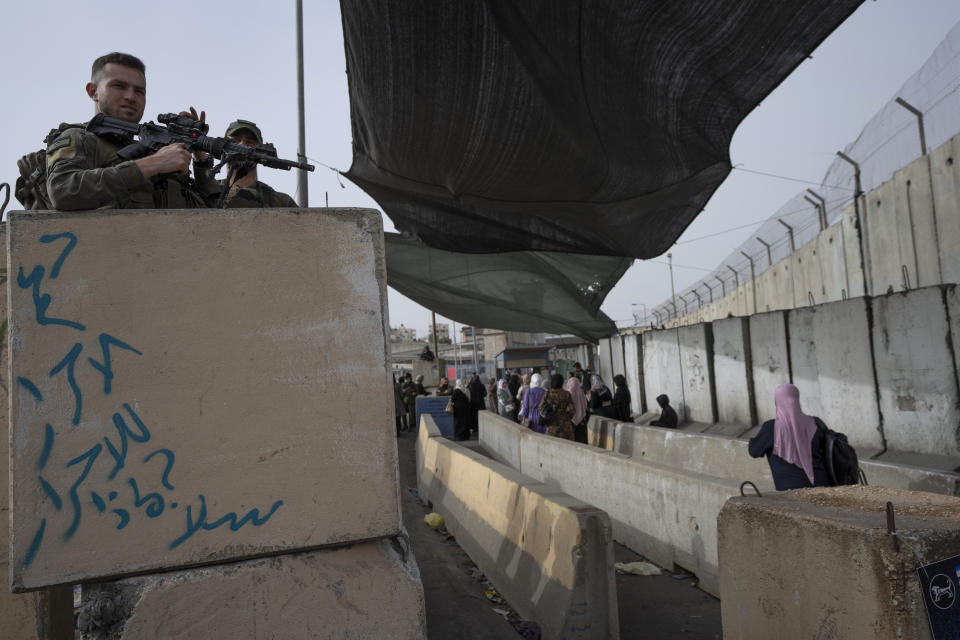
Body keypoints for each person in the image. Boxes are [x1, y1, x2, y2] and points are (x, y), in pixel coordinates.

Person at [45, 52, 208, 211]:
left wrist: (199, 154)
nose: (131, 96)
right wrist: (155, 163)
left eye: (139, 91)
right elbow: (63, 191)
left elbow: (215, 214)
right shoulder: (80, 138)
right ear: (93, 92)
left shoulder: (155, 152)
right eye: (119, 86)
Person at [198, 119, 299, 208]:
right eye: (235, 140)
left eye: (250, 142)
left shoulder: (280, 202)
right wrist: (198, 151)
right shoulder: (204, 190)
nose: (242, 144)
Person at [749, 384, 830, 491]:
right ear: (797, 399)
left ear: (776, 402)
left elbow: (754, 451)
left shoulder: (771, 428)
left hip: (790, 492)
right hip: (822, 487)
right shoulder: (816, 423)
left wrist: (753, 440)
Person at [539, 374, 575, 440]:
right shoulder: (567, 394)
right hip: (565, 428)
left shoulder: (547, 394)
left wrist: (549, 414)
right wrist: (565, 417)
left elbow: (540, 408)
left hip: (551, 427)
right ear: (561, 382)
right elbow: (572, 410)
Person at [565, 373, 589, 443]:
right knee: (582, 440)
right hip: (582, 420)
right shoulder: (581, 393)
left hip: (571, 421)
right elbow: (585, 405)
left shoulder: (567, 394)